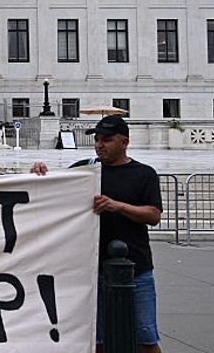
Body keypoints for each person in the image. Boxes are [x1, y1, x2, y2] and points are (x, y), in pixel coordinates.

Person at [31, 115, 163, 353]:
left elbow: (153, 215)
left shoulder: (144, 174)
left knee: (146, 339)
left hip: (137, 268)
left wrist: (117, 206)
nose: (100, 144)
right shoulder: (86, 170)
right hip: (91, 270)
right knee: (96, 341)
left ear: (125, 142)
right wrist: (40, 172)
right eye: (98, 139)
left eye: (107, 140)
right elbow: (52, 188)